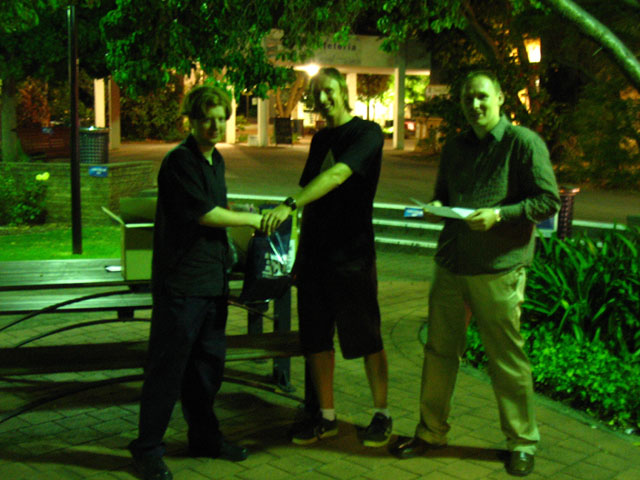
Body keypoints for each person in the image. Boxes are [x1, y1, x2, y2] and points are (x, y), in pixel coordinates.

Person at [389, 70, 560, 477]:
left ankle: (522, 441)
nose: (475, 105)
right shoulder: (455, 147)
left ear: (500, 97)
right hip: (451, 263)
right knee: (439, 352)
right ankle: (431, 432)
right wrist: (433, 207)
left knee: (506, 358)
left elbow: (548, 201)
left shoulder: (523, 143)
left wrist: (499, 214)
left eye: (482, 96)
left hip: (498, 268)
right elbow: (444, 196)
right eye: (468, 99)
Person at [128, 85, 264, 480]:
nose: (215, 125)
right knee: (167, 371)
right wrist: (252, 220)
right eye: (208, 118)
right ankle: (147, 449)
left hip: (212, 282)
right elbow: (205, 214)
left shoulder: (215, 160)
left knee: (207, 370)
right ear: (192, 119)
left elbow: (218, 209)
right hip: (181, 284)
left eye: (222, 118)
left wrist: (239, 217)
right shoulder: (180, 161)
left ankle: (205, 438)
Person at [262, 67, 392, 447]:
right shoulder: (320, 139)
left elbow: (336, 177)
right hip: (315, 258)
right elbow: (313, 200)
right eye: (317, 93)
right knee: (316, 340)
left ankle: (382, 413)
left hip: (352, 255)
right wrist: (299, 258)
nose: (324, 99)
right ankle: (326, 416)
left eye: (329, 90)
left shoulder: (367, 134)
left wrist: (289, 204)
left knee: (367, 338)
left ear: (343, 92)